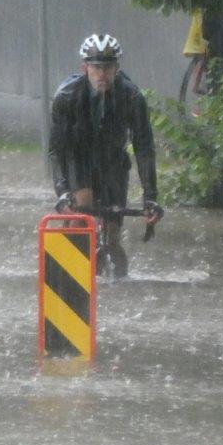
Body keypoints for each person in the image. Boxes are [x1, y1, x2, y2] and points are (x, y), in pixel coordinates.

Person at [48, 33, 162, 277]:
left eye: (108, 67)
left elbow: (144, 148)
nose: (102, 74)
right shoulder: (66, 97)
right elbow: (56, 151)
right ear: (85, 68)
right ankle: (69, 278)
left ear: (117, 68)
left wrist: (150, 197)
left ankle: (119, 286)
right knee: (81, 213)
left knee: (112, 236)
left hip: (113, 162)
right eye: (96, 67)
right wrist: (63, 191)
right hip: (79, 159)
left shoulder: (131, 97)